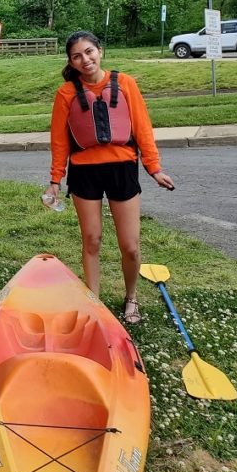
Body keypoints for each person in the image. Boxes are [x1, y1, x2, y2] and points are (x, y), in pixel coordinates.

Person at [47, 31, 175, 324]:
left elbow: (143, 129)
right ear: (71, 61)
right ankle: (94, 303)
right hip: (84, 173)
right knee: (91, 240)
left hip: (122, 169)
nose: (85, 59)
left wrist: (154, 169)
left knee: (130, 245)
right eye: (77, 56)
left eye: (89, 52)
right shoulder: (65, 93)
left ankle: (131, 299)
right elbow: (59, 141)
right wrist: (56, 179)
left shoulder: (126, 83)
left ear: (100, 51)